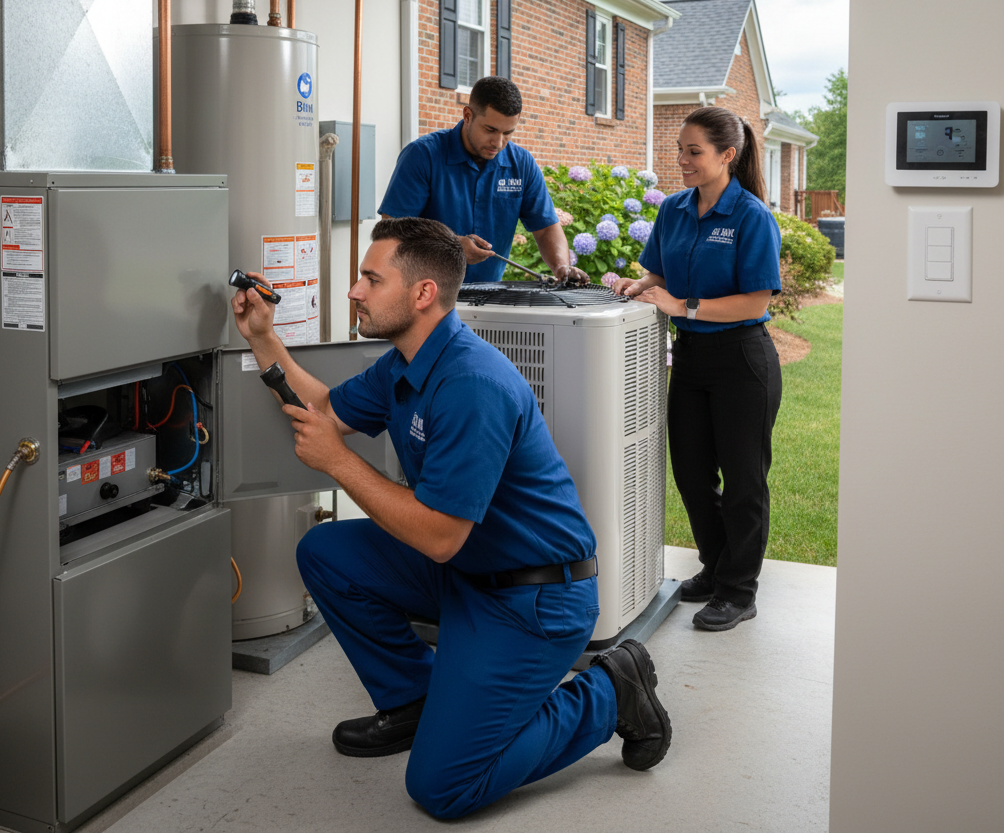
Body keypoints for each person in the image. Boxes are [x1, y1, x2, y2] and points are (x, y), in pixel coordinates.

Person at [230, 217, 671, 819]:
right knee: (326, 553)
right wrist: (263, 337)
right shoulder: (407, 362)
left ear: (422, 294)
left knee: (443, 787)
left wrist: (339, 464)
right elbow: (328, 410)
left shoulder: (470, 383)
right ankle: (415, 700)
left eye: (369, 278)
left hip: (535, 600)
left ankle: (608, 694)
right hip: (470, 573)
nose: (355, 291)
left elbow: (438, 536)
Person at [613, 107, 782, 633]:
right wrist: (641, 286)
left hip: (741, 360)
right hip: (689, 359)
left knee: (744, 483)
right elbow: (660, 270)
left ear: (726, 155)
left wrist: (682, 305)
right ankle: (715, 567)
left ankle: (738, 590)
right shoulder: (675, 210)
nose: (681, 161)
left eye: (693, 152)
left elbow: (755, 302)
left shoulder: (750, 216)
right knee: (689, 472)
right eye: (679, 150)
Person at [379, 75, 588, 285]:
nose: (498, 143)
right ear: (468, 115)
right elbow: (391, 231)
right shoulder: (422, 156)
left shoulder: (522, 164)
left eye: (508, 132)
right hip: (421, 295)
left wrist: (562, 266)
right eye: (490, 130)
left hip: (489, 299)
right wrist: (450, 246)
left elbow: (546, 229)